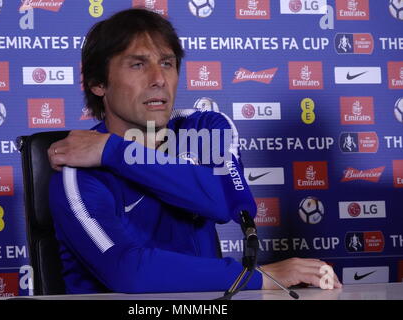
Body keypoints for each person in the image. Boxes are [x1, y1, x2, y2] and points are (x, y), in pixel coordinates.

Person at [48, 8, 342, 294]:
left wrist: (115, 152)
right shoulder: (76, 173)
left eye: (167, 63)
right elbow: (128, 272)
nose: (159, 79)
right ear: (98, 83)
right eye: (138, 65)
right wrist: (251, 277)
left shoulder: (203, 126)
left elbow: (221, 201)